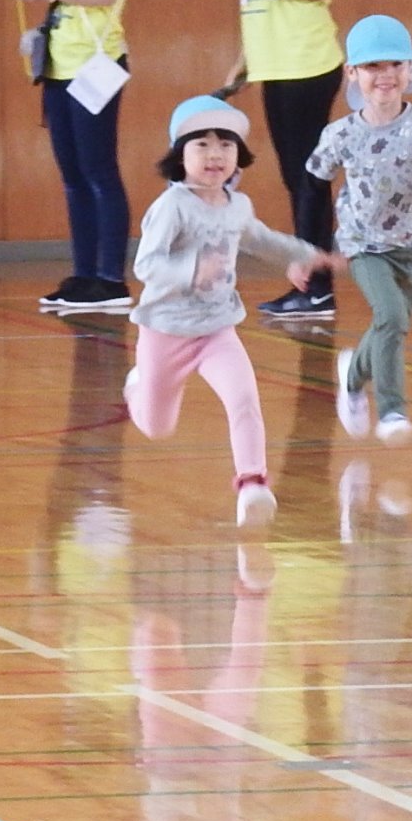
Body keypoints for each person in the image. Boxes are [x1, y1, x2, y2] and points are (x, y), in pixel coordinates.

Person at [124, 97, 336, 527]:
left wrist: (306, 255)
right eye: (201, 144)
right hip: (166, 331)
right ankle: (136, 387)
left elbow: (260, 239)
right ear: (179, 155)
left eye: (225, 144)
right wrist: (192, 269)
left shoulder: (237, 206)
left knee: (243, 399)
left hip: (217, 329)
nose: (215, 154)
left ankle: (252, 483)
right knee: (157, 426)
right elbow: (146, 266)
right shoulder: (171, 207)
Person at [307, 16, 412, 445]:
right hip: (363, 245)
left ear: (410, 68)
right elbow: (312, 186)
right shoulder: (340, 134)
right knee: (389, 316)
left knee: (394, 325)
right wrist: (311, 249)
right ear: (352, 73)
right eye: (373, 66)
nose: (385, 75)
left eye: (395, 65)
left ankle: (353, 374)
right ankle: (392, 411)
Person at [214, 0, 347, 320]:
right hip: (274, 63)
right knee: (295, 177)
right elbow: (253, 0)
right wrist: (244, 62)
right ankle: (309, 281)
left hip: (305, 62)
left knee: (308, 178)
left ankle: (317, 286)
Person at [11, 0, 133, 311]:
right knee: (73, 175)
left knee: (99, 170)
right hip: (62, 64)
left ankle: (111, 278)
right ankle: (84, 274)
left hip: (95, 63)